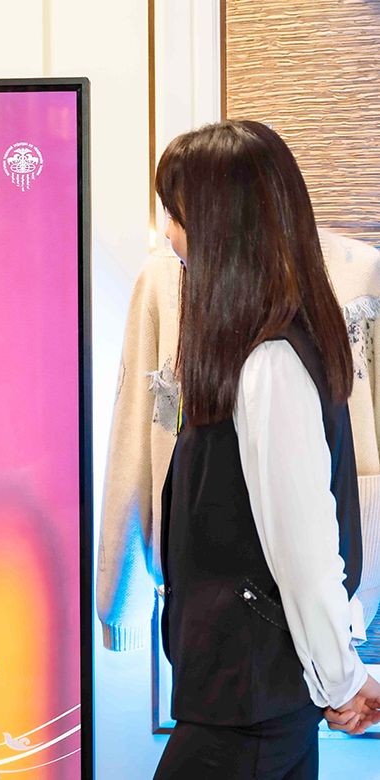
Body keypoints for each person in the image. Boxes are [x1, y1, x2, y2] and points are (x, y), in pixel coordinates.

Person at [152, 119, 380, 779]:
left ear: (221, 228)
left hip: (247, 701)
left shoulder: (270, 362)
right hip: (250, 695)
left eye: (176, 215)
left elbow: (306, 548)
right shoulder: (256, 351)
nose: (168, 234)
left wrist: (341, 678)